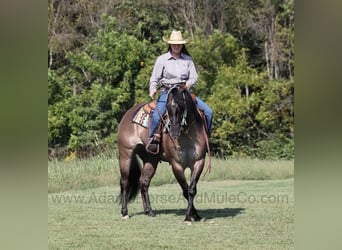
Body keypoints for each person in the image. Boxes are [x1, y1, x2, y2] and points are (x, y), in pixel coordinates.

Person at [146, 30, 213, 153]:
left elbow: (194, 76)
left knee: (209, 112)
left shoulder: (188, 60)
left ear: (182, 45)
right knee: (156, 115)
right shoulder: (162, 59)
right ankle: (152, 140)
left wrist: (188, 84)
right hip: (168, 92)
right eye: (174, 44)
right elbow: (154, 78)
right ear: (170, 44)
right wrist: (153, 89)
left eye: (179, 44)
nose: (176, 46)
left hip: (184, 92)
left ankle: (206, 139)